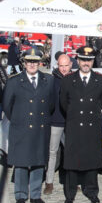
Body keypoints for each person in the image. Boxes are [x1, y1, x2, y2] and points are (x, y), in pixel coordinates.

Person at [3, 48, 55, 203]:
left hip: (40, 129)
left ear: (39, 63)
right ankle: (20, 195)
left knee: (38, 162)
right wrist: (20, 120)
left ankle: (35, 194)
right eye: (28, 61)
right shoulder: (14, 81)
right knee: (21, 163)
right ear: (24, 63)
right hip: (21, 128)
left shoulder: (48, 80)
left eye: (35, 61)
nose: (32, 64)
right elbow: (7, 106)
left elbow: (51, 105)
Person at [60, 46, 102, 203]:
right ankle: (70, 194)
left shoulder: (101, 80)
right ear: (78, 60)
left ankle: (92, 191)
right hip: (74, 126)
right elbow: (64, 104)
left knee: (92, 162)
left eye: (89, 60)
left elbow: (100, 102)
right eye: (83, 60)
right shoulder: (68, 80)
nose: (86, 63)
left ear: (93, 61)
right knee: (72, 163)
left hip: (92, 126)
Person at [43, 54, 72, 195]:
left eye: (66, 65)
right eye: (61, 65)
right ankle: (49, 182)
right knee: (52, 153)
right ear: (57, 65)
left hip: (71, 123)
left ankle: (71, 182)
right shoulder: (51, 80)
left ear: (71, 65)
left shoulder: (74, 79)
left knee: (71, 153)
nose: (64, 68)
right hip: (55, 121)